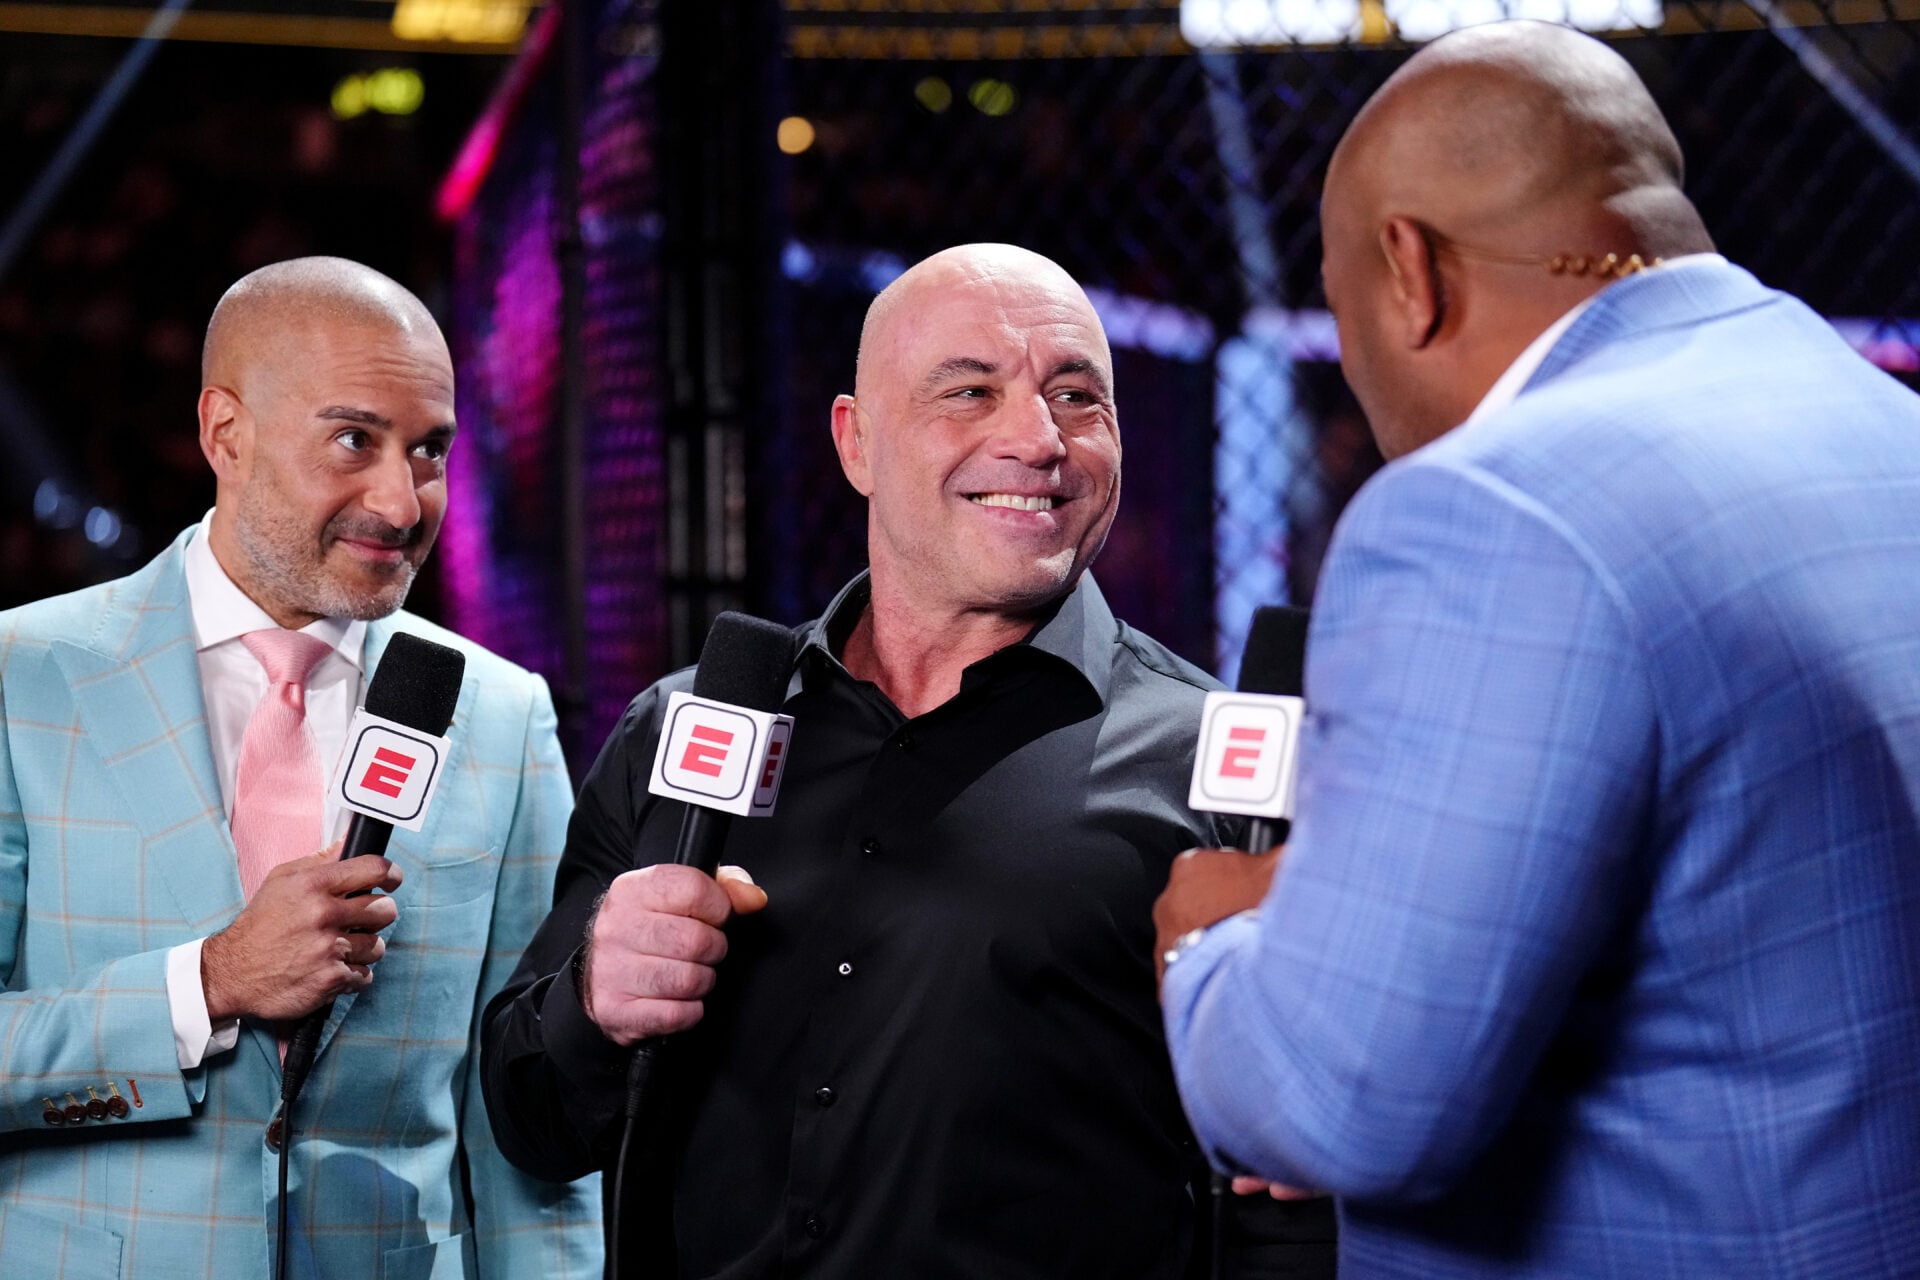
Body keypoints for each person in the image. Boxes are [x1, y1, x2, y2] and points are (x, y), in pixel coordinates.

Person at [1154, 19, 1920, 1278]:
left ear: (1409, 271)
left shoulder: (1492, 506)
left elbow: (1338, 1098)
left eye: (1341, 315)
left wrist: (1215, 947)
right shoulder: (1880, 422)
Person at [482, 243, 1334, 1277]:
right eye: (970, 391)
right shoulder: (678, 732)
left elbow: (1289, 1200)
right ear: (857, 443)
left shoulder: (1217, 770)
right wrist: (594, 1003)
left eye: (1078, 397)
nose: (1038, 439)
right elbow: (532, 1121)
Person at [0, 257, 601, 1278]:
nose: (402, 502)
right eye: (354, 439)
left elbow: (527, 1118)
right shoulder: (24, 677)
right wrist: (209, 982)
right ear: (225, 433)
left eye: (429, 449)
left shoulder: (503, 714)